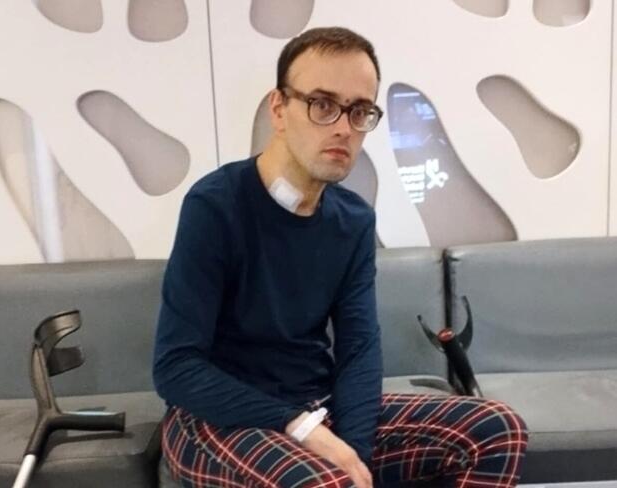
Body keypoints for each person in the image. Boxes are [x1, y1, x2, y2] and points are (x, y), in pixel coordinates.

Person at [153, 26, 528, 488]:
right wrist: (304, 430)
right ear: (279, 109)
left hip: (315, 405)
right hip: (216, 418)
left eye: (359, 111)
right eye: (322, 105)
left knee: (497, 431)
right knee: (328, 482)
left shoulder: (352, 221)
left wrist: (354, 455)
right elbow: (176, 367)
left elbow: (358, 349)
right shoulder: (215, 205)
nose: (343, 128)